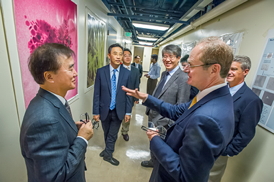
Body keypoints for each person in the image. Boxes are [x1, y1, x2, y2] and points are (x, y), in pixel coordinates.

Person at [122, 36, 235, 182]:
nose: (186, 70)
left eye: (192, 65)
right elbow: (176, 111)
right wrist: (146, 97)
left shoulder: (208, 118)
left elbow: (185, 176)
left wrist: (155, 140)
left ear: (214, 69)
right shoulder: (209, 97)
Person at [20, 43, 94, 182]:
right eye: (70, 68)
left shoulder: (52, 102)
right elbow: (55, 177)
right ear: (49, 77)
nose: (75, 73)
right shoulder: (45, 121)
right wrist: (82, 139)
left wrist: (71, 130)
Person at [208, 55, 263, 182]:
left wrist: (227, 151)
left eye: (233, 69)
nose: (229, 72)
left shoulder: (251, 101)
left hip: (218, 151)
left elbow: (246, 133)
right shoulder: (218, 90)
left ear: (245, 72)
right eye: (228, 69)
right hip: (201, 143)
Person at [141, 44, 191, 168]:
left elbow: (181, 106)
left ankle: (158, 165)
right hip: (153, 116)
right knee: (153, 143)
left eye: (171, 57)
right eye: (164, 56)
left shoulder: (183, 78)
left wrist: (167, 123)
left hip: (164, 122)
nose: (167, 59)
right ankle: (153, 161)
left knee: (162, 149)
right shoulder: (164, 74)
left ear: (178, 58)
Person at [93, 43, 132, 166]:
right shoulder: (101, 72)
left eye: (121, 54)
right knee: (106, 132)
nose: (118, 56)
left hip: (119, 109)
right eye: (115, 53)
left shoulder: (127, 73)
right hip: (104, 109)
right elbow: (97, 93)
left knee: (113, 134)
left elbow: (129, 94)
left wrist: (128, 111)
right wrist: (95, 111)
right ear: (109, 55)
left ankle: (108, 154)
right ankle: (106, 150)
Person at [121, 48, 140, 141]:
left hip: (130, 96)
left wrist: (137, 97)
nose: (128, 57)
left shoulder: (135, 70)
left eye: (129, 55)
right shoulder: (118, 69)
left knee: (127, 115)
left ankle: (125, 131)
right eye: (125, 55)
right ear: (121, 57)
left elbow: (137, 83)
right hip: (119, 97)